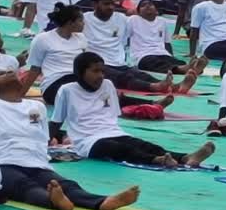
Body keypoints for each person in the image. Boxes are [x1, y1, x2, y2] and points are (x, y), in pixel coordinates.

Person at [0, 70, 140, 210]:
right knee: (23, 186)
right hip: (1, 163)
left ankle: (103, 202)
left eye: (10, 71)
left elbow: (42, 138)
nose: (9, 71)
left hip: (36, 163)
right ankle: (52, 201)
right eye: (1, 74)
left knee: (66, 185)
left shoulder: (37, 106)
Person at [50, 52, 215, 167]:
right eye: (95, 71)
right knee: (118, 149)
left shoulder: (107, 85)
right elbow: (56, 122)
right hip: (86, 141)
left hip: (112, 131)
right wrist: (44, 142)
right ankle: (157, 160)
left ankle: (185, 157)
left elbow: (114, 115)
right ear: (80, 72)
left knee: (142, 144)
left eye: (102, 71)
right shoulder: (66, 90)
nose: (100, 75)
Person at [83, 0, 185, 94]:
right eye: (106, 4)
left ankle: (170, 85)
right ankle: (153, 87)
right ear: (94, 5)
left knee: (139, 74)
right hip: (99, 65)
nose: (111, 7)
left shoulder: (122, 19)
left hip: (119, 63)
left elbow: (132, 34)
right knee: (123, 78)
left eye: (113, 3)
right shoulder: (84, 20)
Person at [21, 4, 87, 104]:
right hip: (54, 83)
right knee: (79, 90)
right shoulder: (42, 39)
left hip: (76, 79)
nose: (84, 24)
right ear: (70, 23)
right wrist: (20, 95)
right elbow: (35, 69)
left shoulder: (81, 38)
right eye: (81, 21)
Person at [128, 0, 203, 86]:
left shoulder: (162, 21)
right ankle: (181, 69)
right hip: (143, 55)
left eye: (150, 4)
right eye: (143, 5)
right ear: (138, 12)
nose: (147, 6)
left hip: (161, 52)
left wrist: (171, 56)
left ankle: (190, 68)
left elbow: (167, 43)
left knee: (174, 61)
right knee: (151, 62)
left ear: (156, 10)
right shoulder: (133, 20)